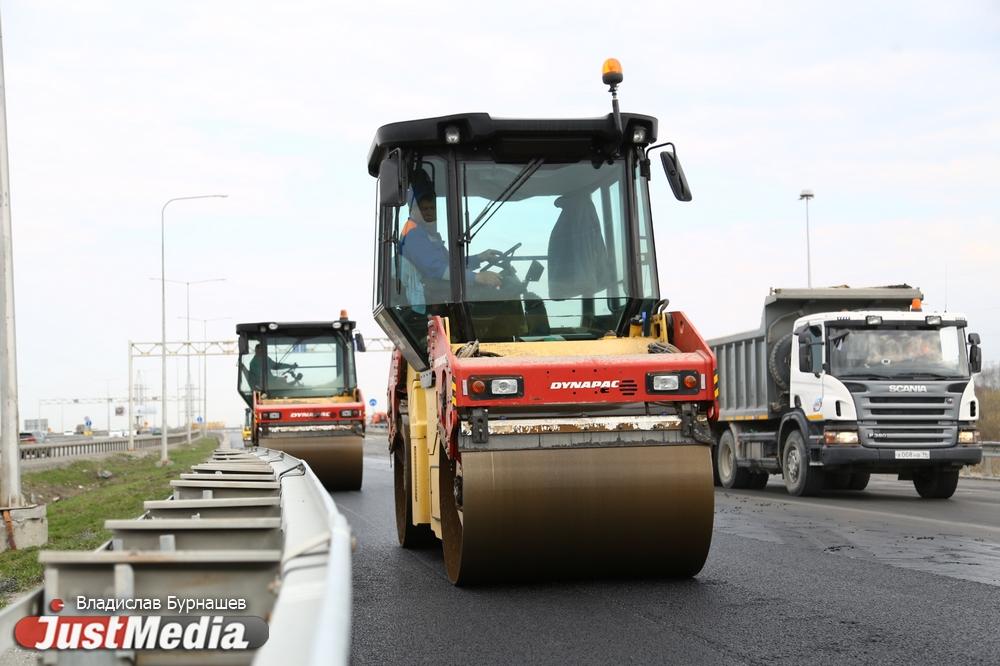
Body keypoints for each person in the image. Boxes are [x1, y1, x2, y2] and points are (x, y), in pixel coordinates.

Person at [399, 180, 502, 301]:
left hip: (437, 288)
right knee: (493, 295)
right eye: (424, 209)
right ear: (413, 210)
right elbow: (436, 269)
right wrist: (477, 277)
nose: (429, 212)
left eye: (432, 208)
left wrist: (479, 257)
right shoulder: (413, 234)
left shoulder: (426, 233)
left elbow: (449, 264)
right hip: (429, 294)